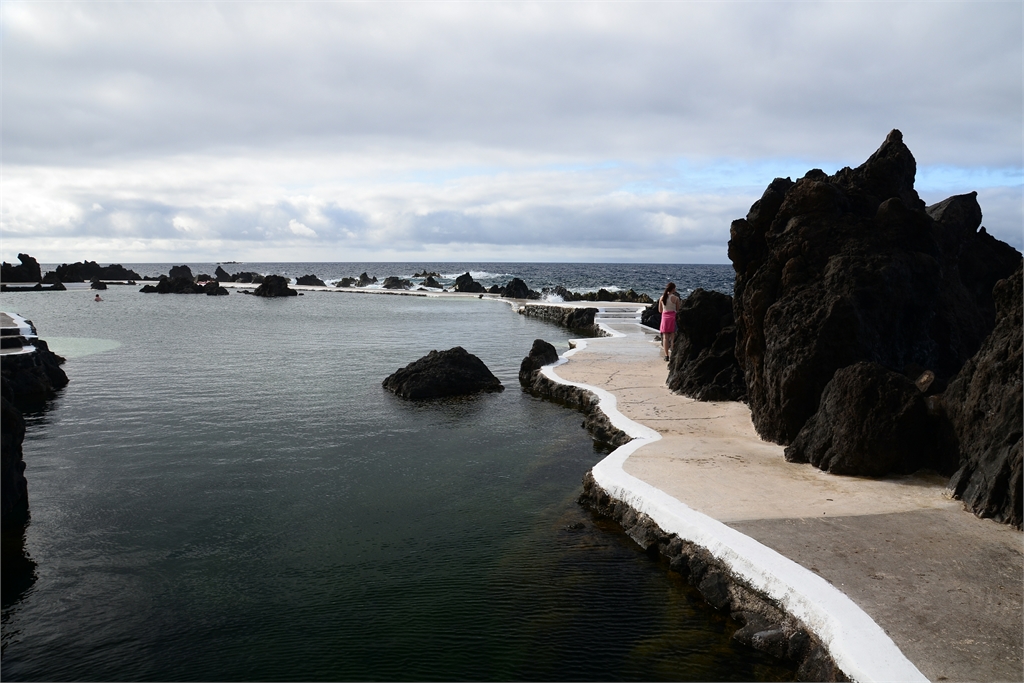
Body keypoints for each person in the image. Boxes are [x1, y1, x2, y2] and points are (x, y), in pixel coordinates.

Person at [658, 282, 681, 361]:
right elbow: (678, 309)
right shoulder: (676, 298)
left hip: (664, 318)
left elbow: (660, 310)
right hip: (672, 317)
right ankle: (673, 353)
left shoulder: (662, 298)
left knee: (665, 337)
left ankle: (666, 355)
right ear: (673, 289)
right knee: (672, 336)